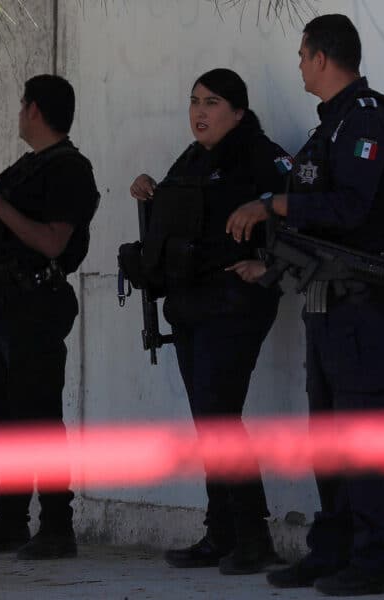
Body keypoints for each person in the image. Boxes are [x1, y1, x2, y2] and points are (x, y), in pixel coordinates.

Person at [226, 14, 384, 596]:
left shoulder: (365, 122)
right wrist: (274, 265)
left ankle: (377, 561)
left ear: (323, 57)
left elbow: (351, 212)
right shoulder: (330, 127)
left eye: (302, 54)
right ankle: (333, 551)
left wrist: (273, 205)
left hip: (359, 303)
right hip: (324, 298)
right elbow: (320, 222)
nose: (299, 65)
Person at [128, 68, 292, 575]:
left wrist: (271, 267)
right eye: (195, 101)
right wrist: (150, 193)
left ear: (239, 112)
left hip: (234, 304)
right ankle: (222, 533)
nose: (200, 111)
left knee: (220, 417)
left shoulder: (263, 157)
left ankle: (253, 537)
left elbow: (306, 215)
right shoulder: (192, 159)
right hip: (192, 303)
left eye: (213, 102)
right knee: (209, 420)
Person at [0, 74, 99, 560]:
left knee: (39, 419)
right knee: (4, 420)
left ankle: (56, 528)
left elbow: (53, 242)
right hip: (7, 304)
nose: (18, 111)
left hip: (38, 305)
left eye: (21, 103)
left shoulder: (70, 169)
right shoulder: (30, 166)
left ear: (35, 110)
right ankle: (8, 523)